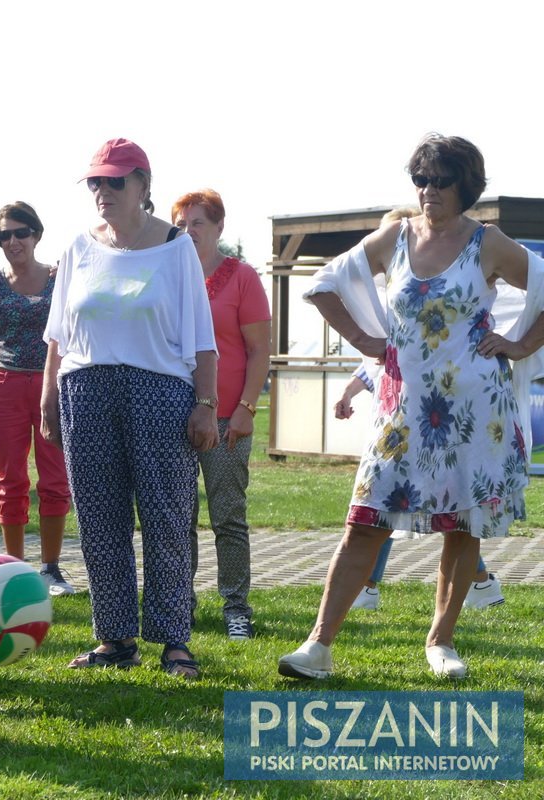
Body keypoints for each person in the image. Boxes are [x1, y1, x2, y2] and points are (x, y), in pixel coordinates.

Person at [279, 134, 544, 681]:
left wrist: (520, 345)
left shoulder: (489, 243)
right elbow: (326, 284)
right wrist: (367, 342)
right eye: (421, 179)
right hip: (403, 412)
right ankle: (318, 646)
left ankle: (440, 643)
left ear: (465, 186)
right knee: (364, 523)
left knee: (463, 527)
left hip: (475, 410)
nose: (428, 191)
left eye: (441, 180)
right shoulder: (394, 237)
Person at [42, 138, 218, 678]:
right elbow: (57, 336)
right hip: (84, 392)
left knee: (166, 519)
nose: (103, 192)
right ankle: (114, 638)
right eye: (96, 182)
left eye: (115, 181)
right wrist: (48, 399)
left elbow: (202, 339)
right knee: (99, 518)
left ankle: (174, 641)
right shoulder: (77, 248)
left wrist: (206, 404)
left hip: (160, 394)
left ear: (143, 184)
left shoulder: (176, 247)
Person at [171, 190, 271, 641]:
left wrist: (247, 409)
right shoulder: (168, 275)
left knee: (228, 515)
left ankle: (236, 607)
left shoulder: (242, 277)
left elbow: (258, 351)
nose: (189, 231)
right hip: (172, 414)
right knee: (176, 515)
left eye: (198, 223)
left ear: (218, 229)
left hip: (228, 417)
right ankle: (179, 603)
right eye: (182, 223)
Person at [0, 201, 74, 594]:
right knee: (10, 479)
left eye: (20, 232)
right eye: (4, 235)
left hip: (51, 386)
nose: (13, 241)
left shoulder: (58, 276)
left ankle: (50, 568)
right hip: (3, 385)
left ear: (36, 234)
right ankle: (14, 567)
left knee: (55, 478)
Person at [337, 365, 505, 611]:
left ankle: (366, 585)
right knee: (389, 504)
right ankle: (481, 584)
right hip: (401, 425)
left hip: (440, 426)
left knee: (441, 509)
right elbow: (376, 359)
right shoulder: (398, 332)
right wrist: (348, 392)